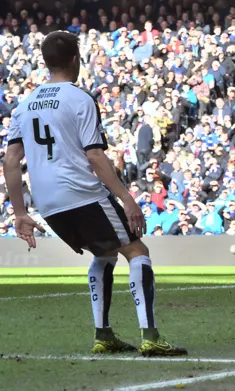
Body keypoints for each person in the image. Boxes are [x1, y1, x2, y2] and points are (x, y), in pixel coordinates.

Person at [4, 31, 186, 356]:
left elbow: (11, 161)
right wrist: (128, 198)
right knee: (136, 250)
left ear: (46, 62)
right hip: (81, 193)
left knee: (104, 254)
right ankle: (151, 336)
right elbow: (95, 156)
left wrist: (20, 213)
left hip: (47, 203)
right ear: (76, 60)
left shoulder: (24, 105)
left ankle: (104, 335)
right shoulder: (80, 98)